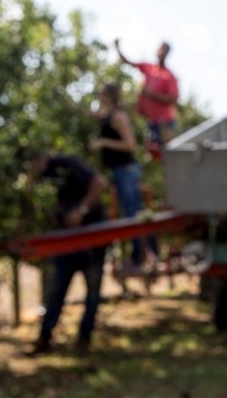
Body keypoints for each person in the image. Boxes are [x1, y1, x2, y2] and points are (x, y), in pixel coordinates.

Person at [21, 149, 110, 355]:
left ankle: (84, 339)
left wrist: (81, 211)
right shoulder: (42, 180)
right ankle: (45, 337)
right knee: (57, 291)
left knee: (93, 292)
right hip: (68, 243)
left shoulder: (65, 164)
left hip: (92, 239)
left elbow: (99, 182)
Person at [89, 82, 159, 269]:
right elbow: (94, 114)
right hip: (119, 171)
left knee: (134, 215)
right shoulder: (107, 115)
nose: (99, 96)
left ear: (110, 96)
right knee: (133, 213)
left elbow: (130, 145)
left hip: (126, 170)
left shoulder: (118, 116)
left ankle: (140, 257)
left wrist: (103, 142)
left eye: (102, 93)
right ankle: (145, 255)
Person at [114, 38, 179, 146]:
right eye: (160, 49)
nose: (162, 52)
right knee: (153, 152)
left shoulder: (169, 76)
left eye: (165, 50)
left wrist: (152, 94)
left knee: (166, 153)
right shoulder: (148, 67)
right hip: (151, 120)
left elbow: (173, 99)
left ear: (167, 53)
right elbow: (128, 62)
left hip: (164, 122)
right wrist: (117, 49)